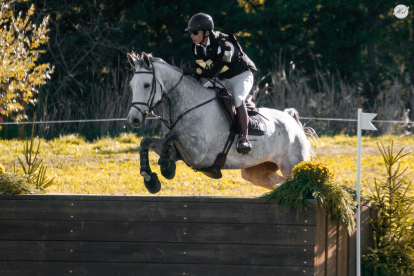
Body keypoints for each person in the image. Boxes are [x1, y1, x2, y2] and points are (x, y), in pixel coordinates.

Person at [182, 13, 257, 154]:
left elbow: (211, 72)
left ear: (207, 32)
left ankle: (243, 138)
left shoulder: (224, 45)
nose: (192, 35)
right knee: (199, 96)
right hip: (222, 79)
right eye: (191, 33)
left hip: (241, 76)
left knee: (237, 98)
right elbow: (201, 70)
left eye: (195, 32)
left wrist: (191, 72)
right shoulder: (196, 47)